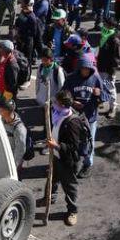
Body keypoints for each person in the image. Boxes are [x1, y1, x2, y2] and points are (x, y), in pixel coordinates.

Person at [42, 90, 91, 226]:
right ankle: (49, 198)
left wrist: (56, 145)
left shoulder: (72, 123)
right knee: (52, 179)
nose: (54, 104)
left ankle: (72, 211)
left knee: (70, 186)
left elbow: (72, 147)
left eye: (56, 102)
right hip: (57, 157)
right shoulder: (58, 114)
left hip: (68, 160)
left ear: (62, 104)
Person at [0, 96, 29, 168]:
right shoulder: (3, 118)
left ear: (5, 111)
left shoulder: (19, 129)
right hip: (4, 155)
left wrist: (13, 166)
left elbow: (20, 150)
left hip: (12, 161)